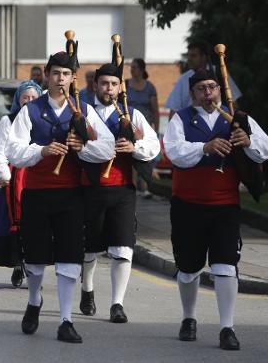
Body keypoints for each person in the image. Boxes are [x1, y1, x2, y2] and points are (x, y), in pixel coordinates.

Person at [6, 50, 114, 343]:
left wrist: (82, 147)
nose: (60, 79)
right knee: (37, 261)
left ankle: (66, 320)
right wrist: (40, 151)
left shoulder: (83, 110)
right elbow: (12, 150)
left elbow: (107, 148)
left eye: (66, 74)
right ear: (47, 76)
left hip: (71, 196)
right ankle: (33, 300)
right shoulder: (31, 110)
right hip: (37, 194)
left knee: (69, 259)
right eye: (55, 74)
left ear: (73, 78)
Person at [163, 69, 268, 350]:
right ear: (193, 93)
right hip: (187, 206)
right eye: (201, 89)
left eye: (212, 87)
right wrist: (205, 147)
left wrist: (248, 142)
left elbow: (264, 149)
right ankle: (188, 318)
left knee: (225, 266)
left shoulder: (237, 117)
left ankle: (227, 328)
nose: (207, 93)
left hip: (225, 206)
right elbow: (173, 152)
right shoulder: (181, 119)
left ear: (219, 91)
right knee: (187, 269)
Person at [79, 63, 160, 324]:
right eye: (104, 83)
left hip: (123, 189)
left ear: (120, 87)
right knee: (89, 249)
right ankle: (87, 289)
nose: (109, 89)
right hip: (90, 189)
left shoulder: (131, 114)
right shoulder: (83, 112)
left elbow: (152, 145)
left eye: (114, 84)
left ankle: (117, 304)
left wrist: (133, 146)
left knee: (123, 248)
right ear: (95, 85)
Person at [0, 80, 42, 287]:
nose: (29, 101)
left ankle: (32, 263)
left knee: (35, 223)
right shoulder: (8, 120)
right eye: (25, 97)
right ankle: (17, 265)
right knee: (15, 223)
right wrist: (3, 175)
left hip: (36, 175)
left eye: (33, 98)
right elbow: (0, 151)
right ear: (18, 99)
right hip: (13, 180)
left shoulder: (43, 119)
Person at [165, 42, 242, 116]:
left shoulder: (220, 73)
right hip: (192, 124)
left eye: (193, 56)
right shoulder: (184, 79)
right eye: (188, 56)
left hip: (220, 121)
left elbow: (233, 102)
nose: (189, 59)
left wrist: (235, 122)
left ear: (204, 57)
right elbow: (175, 109)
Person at [126, 58, 159, 198]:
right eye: (131, 67)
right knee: (132, 154)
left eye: (134, 67)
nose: (131, 70)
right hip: (129, 125)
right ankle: (132, 187)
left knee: (145, 156)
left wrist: (156, 130)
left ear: (141, 69)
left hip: (145, 128)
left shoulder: (150, 87)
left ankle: (145, 187)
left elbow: (155, 110)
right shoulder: (125, 84)